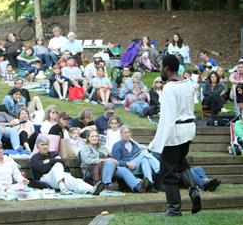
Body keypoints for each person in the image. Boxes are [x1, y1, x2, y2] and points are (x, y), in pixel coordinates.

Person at [148, 54, 201, 216]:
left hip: (175, 132)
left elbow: (167, 118)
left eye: (161, 67)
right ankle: (194, 191)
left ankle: (174, 209)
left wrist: (158, 143)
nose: (160, 70)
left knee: (167, 171)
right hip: (188, 128)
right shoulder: (188, 83)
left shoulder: (170, 87)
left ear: (166, 68)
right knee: (180, 163)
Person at [80, 130, 150, 193]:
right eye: (92, 136)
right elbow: (88, 161)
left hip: (106, 168)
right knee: (109, 162)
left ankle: (137, 187)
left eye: (96, 136)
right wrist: (105, 160)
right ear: (88, 138)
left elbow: (110, 157)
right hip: (91, 170)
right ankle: (106, 185)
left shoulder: (102, 147)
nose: (94, 138)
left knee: (123, 170)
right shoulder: (85, 148)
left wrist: (113, 160)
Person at [30, 136, 104, 195]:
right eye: (42, 145)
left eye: (46, 144)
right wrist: (54, 162)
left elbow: (62, 162)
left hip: (59, 177)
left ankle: (93, 189)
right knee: (57, 165)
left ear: (49, 145)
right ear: (38, 147)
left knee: (74, 180)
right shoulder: (35, 158)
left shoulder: (54, 154)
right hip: (45, 178)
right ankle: (63, 188)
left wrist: (49, 161)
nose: (45, 147)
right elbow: (42, 169)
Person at [112, 125, 160, 191]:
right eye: (124, 133)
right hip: (125, 169)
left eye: (128, 132)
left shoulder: (134, 145)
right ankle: (158, 168)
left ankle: (149, 183)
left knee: (144, 159)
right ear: (121, 134)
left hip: (135, 167)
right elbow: (116, 161)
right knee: (144, 153)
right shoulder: (117, 145)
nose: (126, 134)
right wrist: (127, 163)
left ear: (130, 134)